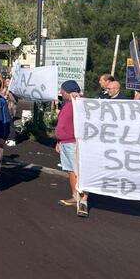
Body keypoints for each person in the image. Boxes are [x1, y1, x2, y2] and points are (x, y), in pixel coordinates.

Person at [55, 80, 88, 217]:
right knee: (70, 170)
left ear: (68, 92)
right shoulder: (68, 104)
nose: (61, 93)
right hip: (65, 142)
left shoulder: (77, 104)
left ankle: (83, 200)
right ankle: (75, 197)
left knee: (78, 171)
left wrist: (78, 96)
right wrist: (59, 141)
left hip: (74, 142)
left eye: (62, 91)